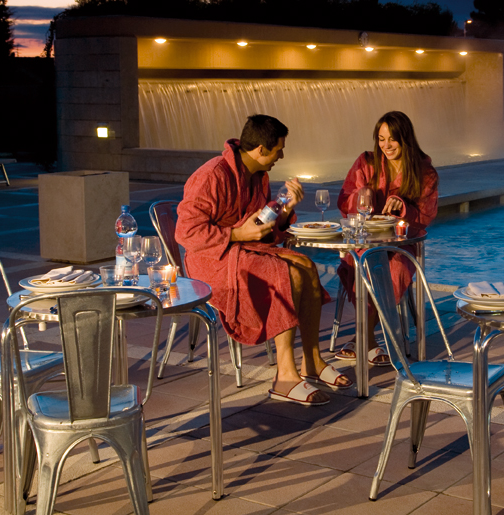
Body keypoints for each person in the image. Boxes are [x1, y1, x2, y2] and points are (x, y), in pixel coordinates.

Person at [176, 114, 350, 407]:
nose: (281, 156)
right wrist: (235, 233)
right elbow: (186, 232)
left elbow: (260, 224)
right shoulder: (211, 176)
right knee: (285, 273)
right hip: (212, 259)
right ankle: (285, 376)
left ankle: (312, 360)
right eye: (278, 150)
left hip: (244, 250)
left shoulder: (258, 175)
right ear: (260, 150)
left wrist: (284, 208)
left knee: (306, 267)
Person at [335, 111, 439, 366]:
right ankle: (369, 340)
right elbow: (345, 198)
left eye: (393, 139)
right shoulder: (366, 163)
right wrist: (363, 194)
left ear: (406, 139)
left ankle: (363, 338)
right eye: (381, 139)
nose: (386, 145)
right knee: (362, 262)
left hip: (401, 244)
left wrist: (403, 206)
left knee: (391, 269)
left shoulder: (425, 173)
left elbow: (425, 217)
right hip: (366, 240)